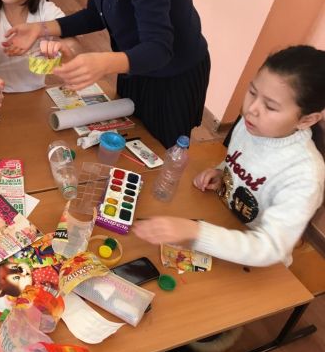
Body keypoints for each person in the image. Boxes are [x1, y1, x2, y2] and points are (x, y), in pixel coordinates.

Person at [3, 0, 210, 148]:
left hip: (172, 77)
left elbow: (159, 49)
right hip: (136, 64)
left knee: (162, 152)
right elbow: (97, 13)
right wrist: (41, 29)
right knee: (130, 137)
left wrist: (102, 63)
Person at [133, 46, 325, 268]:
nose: (252, 109)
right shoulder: (251, 125)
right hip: (223, 223)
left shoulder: (305, 176)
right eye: (252, 92)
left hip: (256, 261)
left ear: (306, 120)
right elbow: (243, 161)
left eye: (270, 107)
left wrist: (195, 231)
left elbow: (270, 248)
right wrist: (222, 172)